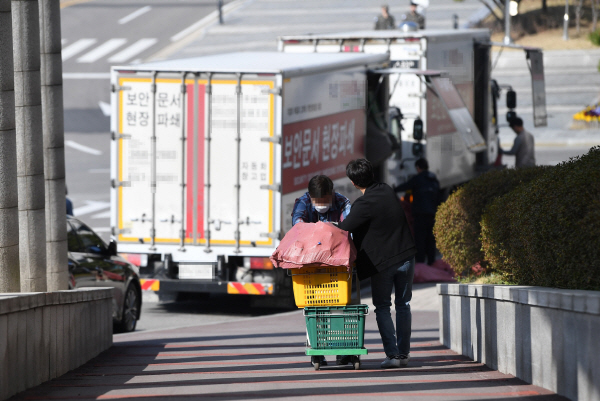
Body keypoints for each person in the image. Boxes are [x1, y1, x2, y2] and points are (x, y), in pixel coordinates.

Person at [337, 159, 417, 369]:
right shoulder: (387, 190)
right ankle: (404, 354)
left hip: (383, 263)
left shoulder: (363, 205)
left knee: (382, 307)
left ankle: (393, 355)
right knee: (403, 305)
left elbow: (345, 227)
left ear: (353, 183)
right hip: (407, 256)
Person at [291, 175, 351, 368]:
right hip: (311, 265)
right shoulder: (303, 202)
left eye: (325, 201)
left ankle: (342, 351)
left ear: (332, 195)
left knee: (339, 307)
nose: (322, 205)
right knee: (313, 308)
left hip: (336, 263)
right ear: (311, 197)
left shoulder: (342, 203)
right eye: (318, 202)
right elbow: (297, 226)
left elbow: (350, 227)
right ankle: (317, 351)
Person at [394, 158, 439, 265]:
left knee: (420, 240)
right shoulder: (433, 179)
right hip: (432, 214)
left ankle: (421, 264)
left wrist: (394, 190)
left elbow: (406, 186)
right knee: (430, 239)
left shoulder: (417, 179)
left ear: (418, 168)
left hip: (420, 214)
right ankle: (432, 262)